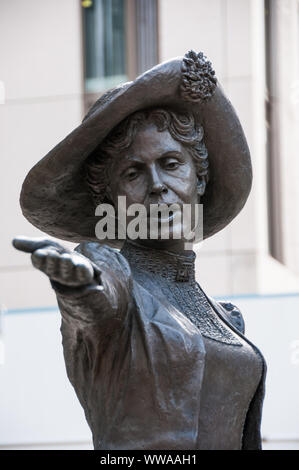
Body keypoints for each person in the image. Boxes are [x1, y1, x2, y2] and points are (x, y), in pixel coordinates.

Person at [13, 51, 266, 450]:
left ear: (199, 179)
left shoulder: (226, 316)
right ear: (111, 201)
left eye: (171, 163)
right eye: (133, 173)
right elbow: (100, 299)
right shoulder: (110, 274)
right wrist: (81, 289)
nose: (157, 185)